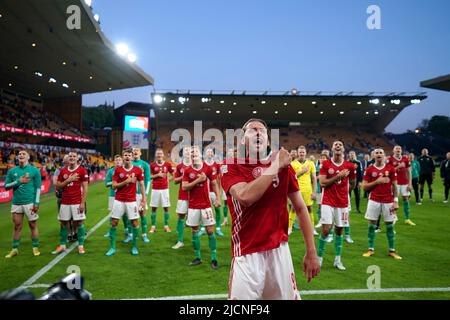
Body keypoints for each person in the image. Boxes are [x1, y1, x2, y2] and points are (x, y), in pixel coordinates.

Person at [221, 119, 320, 300]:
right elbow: (245, 197)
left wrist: (311, 252)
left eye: (263, 131)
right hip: (247, 253)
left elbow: (299, 207)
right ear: (242, 140)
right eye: (252, 130)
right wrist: (275, 166)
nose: (258, 132)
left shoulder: (284, 168)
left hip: (279, 251)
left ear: (267, 141)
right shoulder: (230, 165)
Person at [317, 141, 356, 271]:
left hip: (343, 202)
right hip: (327, 201)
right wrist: (338, 176)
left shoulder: (350, 166)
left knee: (339, 230)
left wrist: (344, 191)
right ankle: (319, 258)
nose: (338, 146)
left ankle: (337, 260)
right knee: (326, 229)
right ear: (332, 148)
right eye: (335, 145)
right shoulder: (326, 164)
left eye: (340, 144)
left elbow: (353, 183)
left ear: (343, 149)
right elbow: (322, 183)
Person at [182, 146, 221, 268]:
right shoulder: (187, 170)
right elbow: (184, 187)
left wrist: (218, 198)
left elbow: (214, 184)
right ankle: (198, 257)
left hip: (206, 205)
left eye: (196, 153)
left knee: (210, 231)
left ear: (200, 154)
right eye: (192, 153)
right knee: (194, 231)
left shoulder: (207, 168)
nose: (194, 155)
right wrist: (198, 180)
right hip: (193, 206)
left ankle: (214, 258)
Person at [362, 148, 402, 260]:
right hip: (374, 200)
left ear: (384, 155)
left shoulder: (391, 169)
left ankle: (392, 251)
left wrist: (395, 201)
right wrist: (377, 182)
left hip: (388, 201)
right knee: (371, 226)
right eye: (376, 153)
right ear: (373, 156)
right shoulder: (369, 170)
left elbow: (394, 186)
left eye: (381, 152)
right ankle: (370, 249)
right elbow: (364, 187)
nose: (379, 154)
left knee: (390, 226)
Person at [106, 149, 146, 256]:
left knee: (134, 223)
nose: (127, 157)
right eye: (125, 155)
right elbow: (114, 186)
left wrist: (144, 200)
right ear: (123, 158)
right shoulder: (118, 170)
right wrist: (125, 182)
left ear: (132, 158)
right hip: (118, 200)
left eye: (129, 155)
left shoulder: (138, 170)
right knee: (114, 223)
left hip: (131, 201)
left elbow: (142, 185)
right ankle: (112, 248)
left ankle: (134, 246)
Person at [4, 149, 42, 258]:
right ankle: (14, 249)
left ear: (28, 157)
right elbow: (6, 186)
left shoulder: (34, 170)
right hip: (16, 203)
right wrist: (19, 181)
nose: (21, 155)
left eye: (23, 154)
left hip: (30, 203)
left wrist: (37, 202)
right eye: (19, 154)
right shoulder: (12, 171)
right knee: (17, 226)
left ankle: (35, 247)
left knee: (33, 225)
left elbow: (38, 187)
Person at [52, 152, 89, 255]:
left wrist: (82, 202)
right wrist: (68, 180)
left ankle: (81, 245)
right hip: (65, 201)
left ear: (77, 158)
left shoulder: (82, 170)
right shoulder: (63, 171)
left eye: (74, 156)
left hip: (77, 201)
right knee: (63, 223)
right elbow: (58, 185)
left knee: (80, 223)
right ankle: (62, 245)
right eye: (70, 156)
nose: (72, 158)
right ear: (67, 159)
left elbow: (85, 187)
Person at [123, 148, 151, 244]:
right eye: (133, 150)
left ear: (140, 153)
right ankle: (130, 235)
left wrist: (145, 195)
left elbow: (148, 180)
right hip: (130, 194)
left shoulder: (145, 165)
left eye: (137, 150)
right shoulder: (127, 164)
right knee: (129, 215)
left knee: (142, 214)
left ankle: (144, 235)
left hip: (140, 194)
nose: (135, 152)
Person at [289, 146, 317, 236]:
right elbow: (292, 177)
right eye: (300, 152)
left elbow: (314, 178)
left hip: (308, 190)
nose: (302, 154)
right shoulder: (293, 164)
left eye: (303, 152)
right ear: (298, 153)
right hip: (296, 190)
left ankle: (312, 229)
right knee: (293, 208)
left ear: (306, 153)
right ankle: (289, 228)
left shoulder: (311, 163)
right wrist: (302, 172)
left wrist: (314, 192)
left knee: (309, 209)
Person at [387, 146, 415, 226]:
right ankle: (393, 217)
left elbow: (409, 172)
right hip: (394, 183)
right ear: (393, 151)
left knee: (406, 199)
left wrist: (410, 184)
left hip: (405, 183)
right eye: (396, 149)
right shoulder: (390, 160)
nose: (398, 150)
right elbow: (388, 172)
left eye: (399, 149)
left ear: (401, 151)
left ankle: (407, 219)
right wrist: (399, 166)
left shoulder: (405, 159)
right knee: (394, 200)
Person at [149, 149, 175, 233]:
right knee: (153, 208)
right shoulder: (152, 165)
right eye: (158, 154)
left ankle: (166, 226)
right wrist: (157, 175)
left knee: (166, 208)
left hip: (165, 189)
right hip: (155, 189)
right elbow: (149, 177)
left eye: (160, 153)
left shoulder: (167, 164)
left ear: (163, 155)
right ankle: (153, 226)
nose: (159, 155)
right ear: (156, 155)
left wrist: (168, 180)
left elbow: (174, 174)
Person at [172, 146, 191, 249]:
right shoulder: (179, 167)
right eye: (186, 151)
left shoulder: (196, 165)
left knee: (195, 220)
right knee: (181, 216)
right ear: (183, 154)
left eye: (189, 151)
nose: (187, 153)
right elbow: (175, 181)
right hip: (183, 195)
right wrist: (184, 176)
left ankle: (195, 242)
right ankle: (180, 241)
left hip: (194, 196)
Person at [104, 155, 127, 238]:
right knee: (112, 214)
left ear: (122, 161)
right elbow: (106, 183)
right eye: (116, 160)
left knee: (125, 214)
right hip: (113, 195)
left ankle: (126, 229)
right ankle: (111, 231)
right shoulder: (111, 171)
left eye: (119, 160)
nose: (118, 161)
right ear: (114, 162)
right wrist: (114, 183)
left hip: (124, 195)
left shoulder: (126, 170)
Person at [204, 148, 225, 237]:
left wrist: (219, 192)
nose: (209, 153)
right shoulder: (202, 164)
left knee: (217, 209)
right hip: (204, 192)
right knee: (204, 211)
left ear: (213, 154)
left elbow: (219, 179)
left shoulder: (216, 165)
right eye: (208, 152)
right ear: (205, 154)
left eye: (211, 152)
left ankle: (218, 228)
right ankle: (202, 228)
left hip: (214, 192)